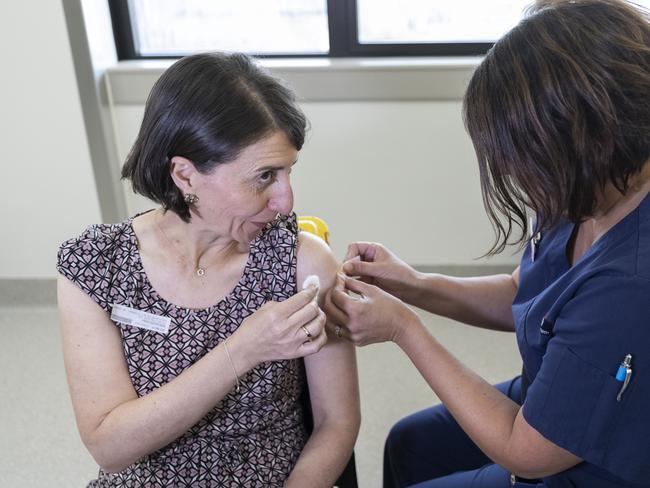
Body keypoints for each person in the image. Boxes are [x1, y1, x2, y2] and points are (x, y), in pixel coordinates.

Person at [325, 1, 650, 487]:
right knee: (409, 443)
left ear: (584, 134)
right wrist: (414, 284)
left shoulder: (631, 280)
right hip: (551, 388)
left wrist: (404, 329)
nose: (521, 177)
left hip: (593, 459)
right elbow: (528, 294)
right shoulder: (585, 185)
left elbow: (527, 454)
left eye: (527, 157)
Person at [57, 52, 360, 487]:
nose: (286, 201)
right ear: (185, 174)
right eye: (264, 176)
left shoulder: (301, 262)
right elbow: (111, 448)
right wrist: (244, 350)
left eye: (288, 172)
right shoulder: (95, 267)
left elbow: (337, 423)